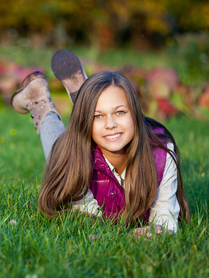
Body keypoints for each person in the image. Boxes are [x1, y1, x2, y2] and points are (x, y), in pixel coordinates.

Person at [11, 49, 190, 237]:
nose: (111, 125)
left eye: (120, 112)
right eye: (98, 116)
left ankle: (87, 101)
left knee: (91, 127)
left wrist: (156, 231)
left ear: (135, 113)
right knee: (59, 150)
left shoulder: (161, 152)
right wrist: (112, 236)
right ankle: (39, 100)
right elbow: (89, 218)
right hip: (76, 150)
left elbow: (166, 215)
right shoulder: (74, 155)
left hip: (104, 136)